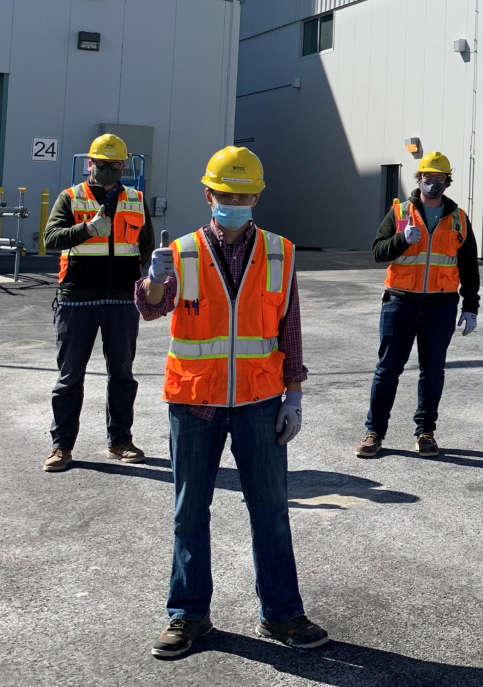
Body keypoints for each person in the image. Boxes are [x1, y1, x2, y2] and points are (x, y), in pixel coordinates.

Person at [137, 146, 329, 658]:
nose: (236, 202)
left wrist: (295, 394)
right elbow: (152, 310)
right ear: (209, 195)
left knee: (270, 511)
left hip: (260, 401)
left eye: (244, 195)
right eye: (227, 195)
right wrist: (153, 283)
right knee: (188, 511)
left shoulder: (280, 252)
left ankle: (283, 614)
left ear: (258, 196)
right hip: (194, 403)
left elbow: (289, 326)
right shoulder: (181, 251)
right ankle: (188, 616)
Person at [357, 151, 479, 459]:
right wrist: (401, 240)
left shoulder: (459, 219)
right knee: (387, 370)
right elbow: (378, 252)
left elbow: (469, 268)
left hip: (441, 307)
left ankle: (425, 432)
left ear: (447, 182)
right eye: (428, 178)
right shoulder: (399, 212)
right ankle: (374, 433)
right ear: (419, 179)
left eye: (439, 179)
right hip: (400, 303)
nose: (433, 184)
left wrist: (471, 306)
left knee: (433, 371)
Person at [41, 133, 153, 471]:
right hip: (76, 299)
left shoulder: (135, 199)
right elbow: (50, 239)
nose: (107, 170)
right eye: (101, 165)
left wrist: (131, 276)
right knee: (69, 377)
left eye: (114, 165)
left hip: (121, 300)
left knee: (122, 374)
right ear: (90, 164)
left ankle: (120, 441)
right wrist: (87, 230)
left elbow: (144, 245)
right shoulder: (70, 198)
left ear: (124, 165)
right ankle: (61, 447)